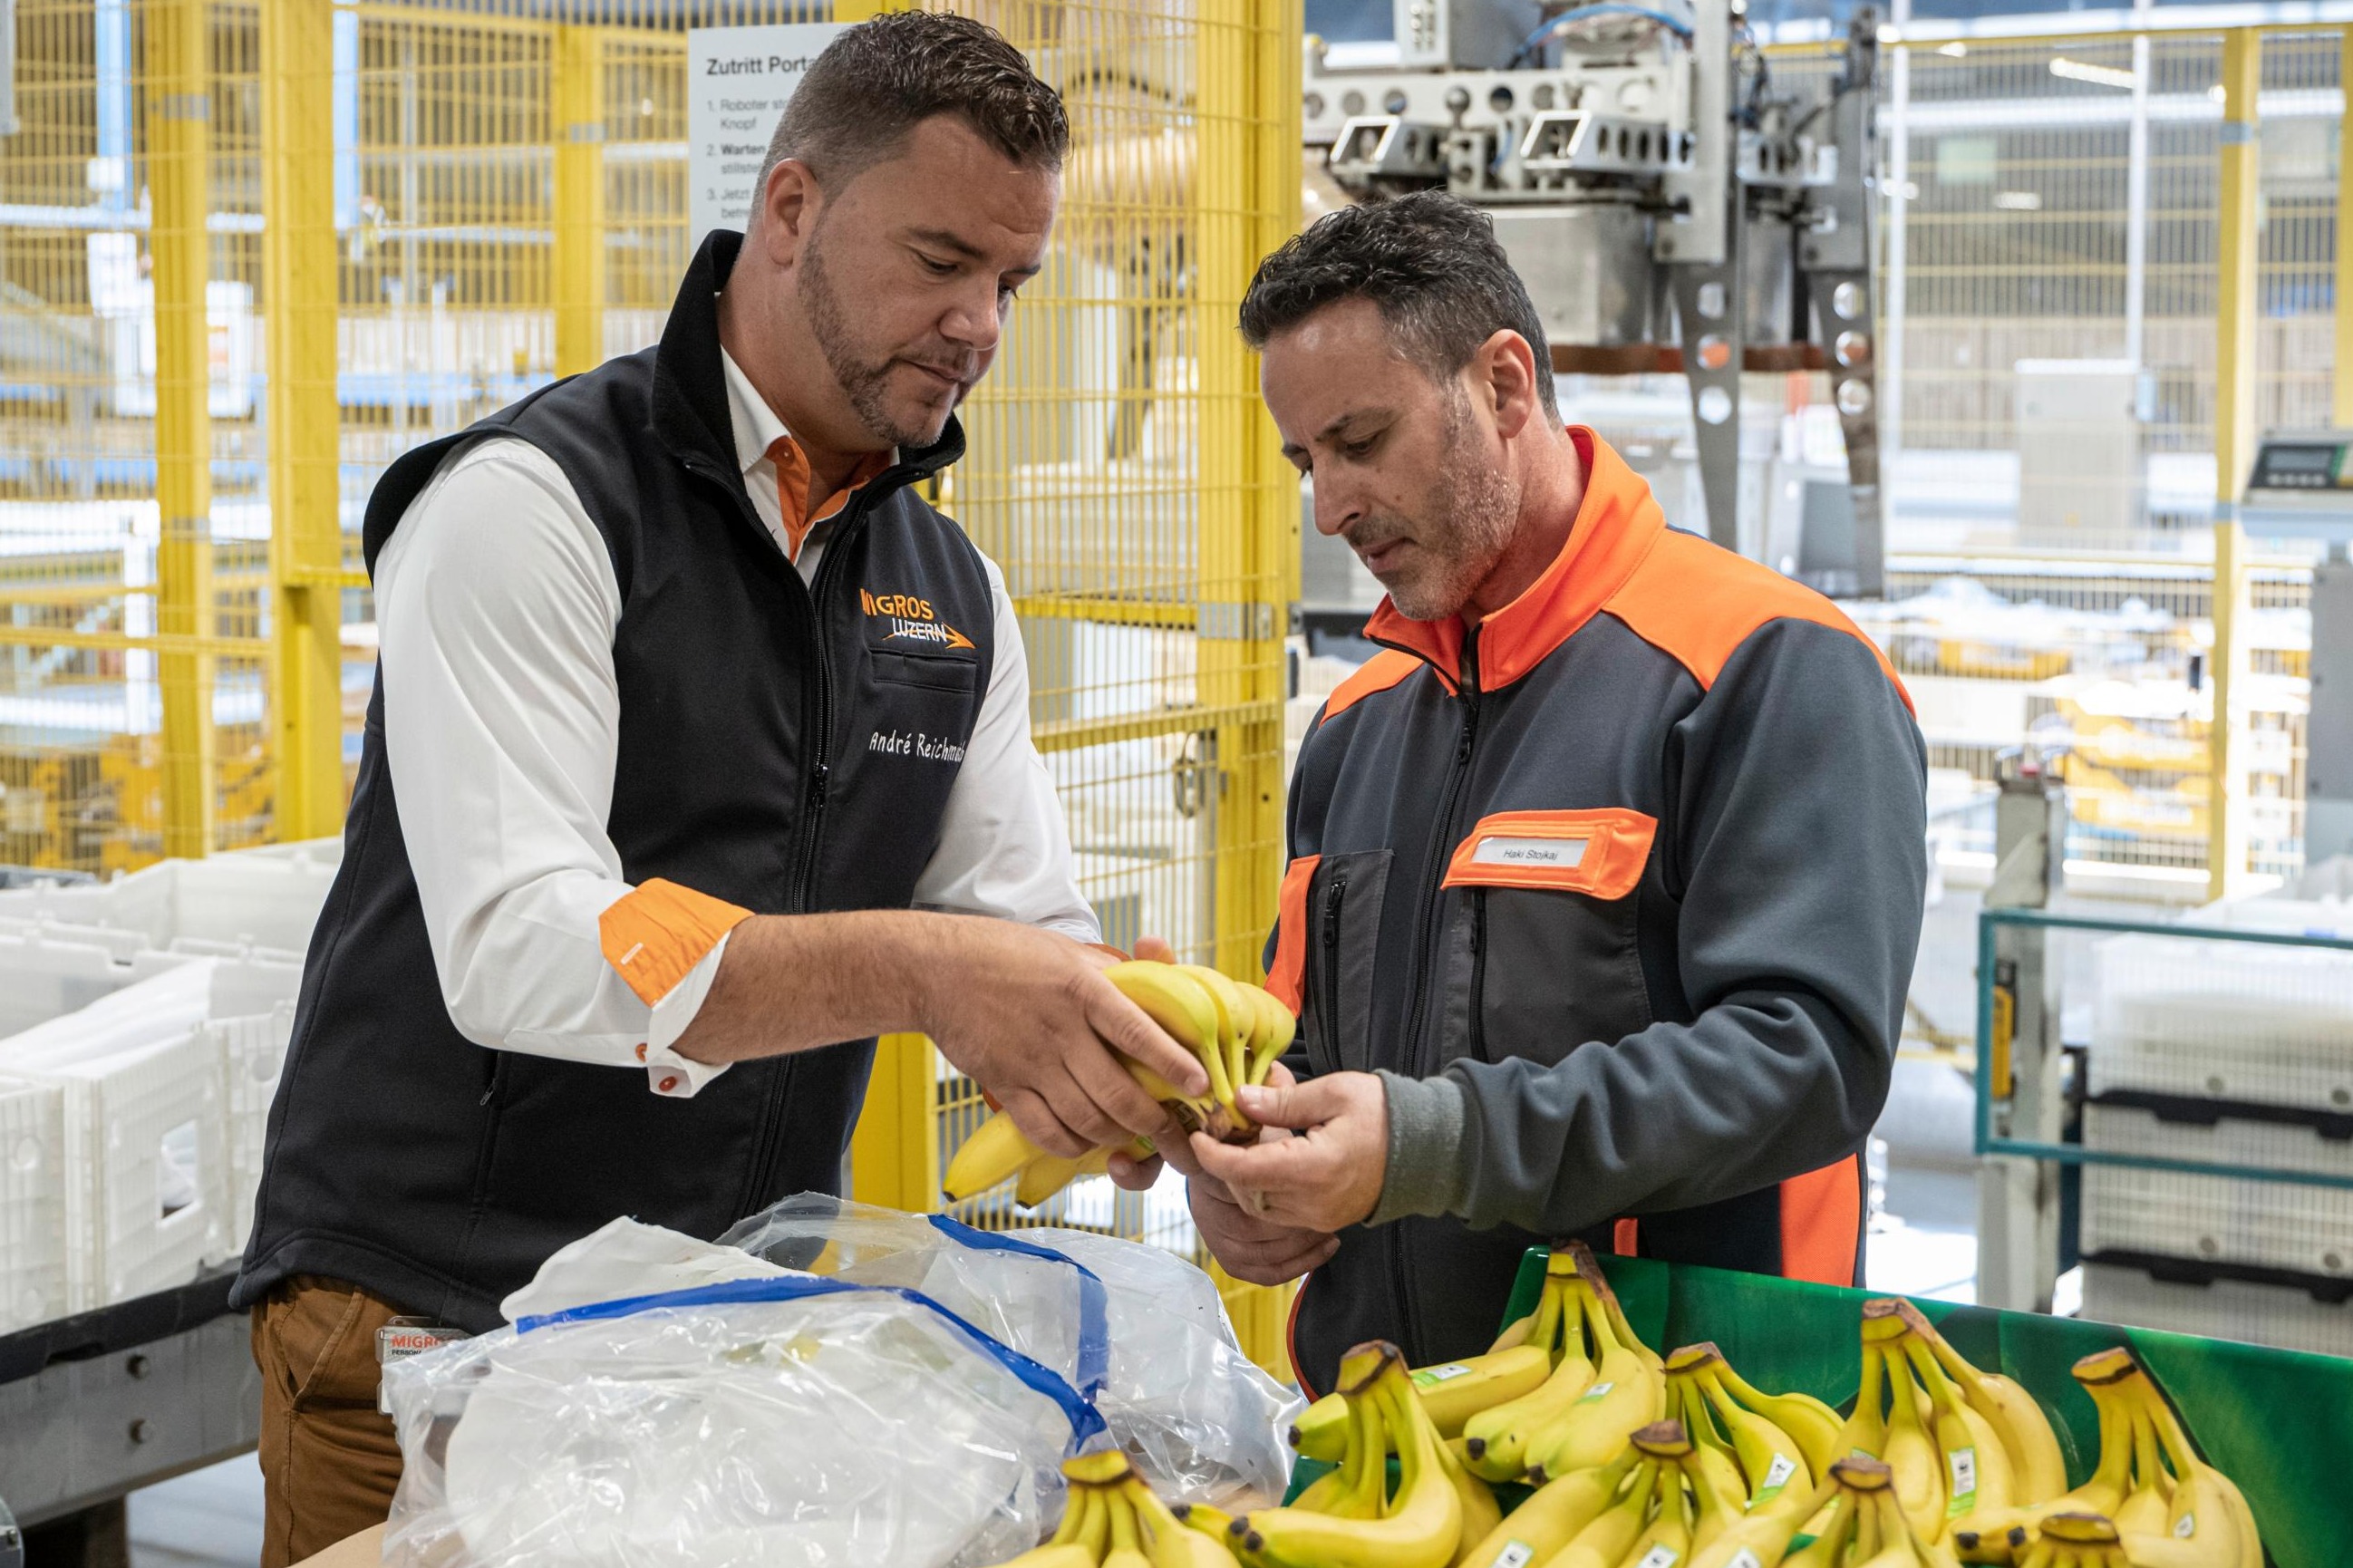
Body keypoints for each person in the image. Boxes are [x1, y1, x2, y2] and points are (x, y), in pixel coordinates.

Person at [230, 17, 1207, 1563]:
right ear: (794, 208)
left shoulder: (948, 593)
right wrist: (925, 969)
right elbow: (526, 945)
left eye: (1009, 285)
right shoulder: (531, 508)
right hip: (436, 1312)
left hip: (712, 1334)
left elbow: (1018, 920)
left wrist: (1121, 1059)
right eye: (940, 260)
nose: (978, 328)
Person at [1180, 192, 1927, 1396]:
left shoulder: (1764, 668)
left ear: (1505, 386)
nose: (1330, 506)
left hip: (1683, 1440)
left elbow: (1806, 1063)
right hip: (1390, 1451)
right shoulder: (1358, 723)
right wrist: (1246, 1187)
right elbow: (1307, 1045)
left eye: (1362, 440)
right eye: (1306, 458)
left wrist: (1431, 1145)